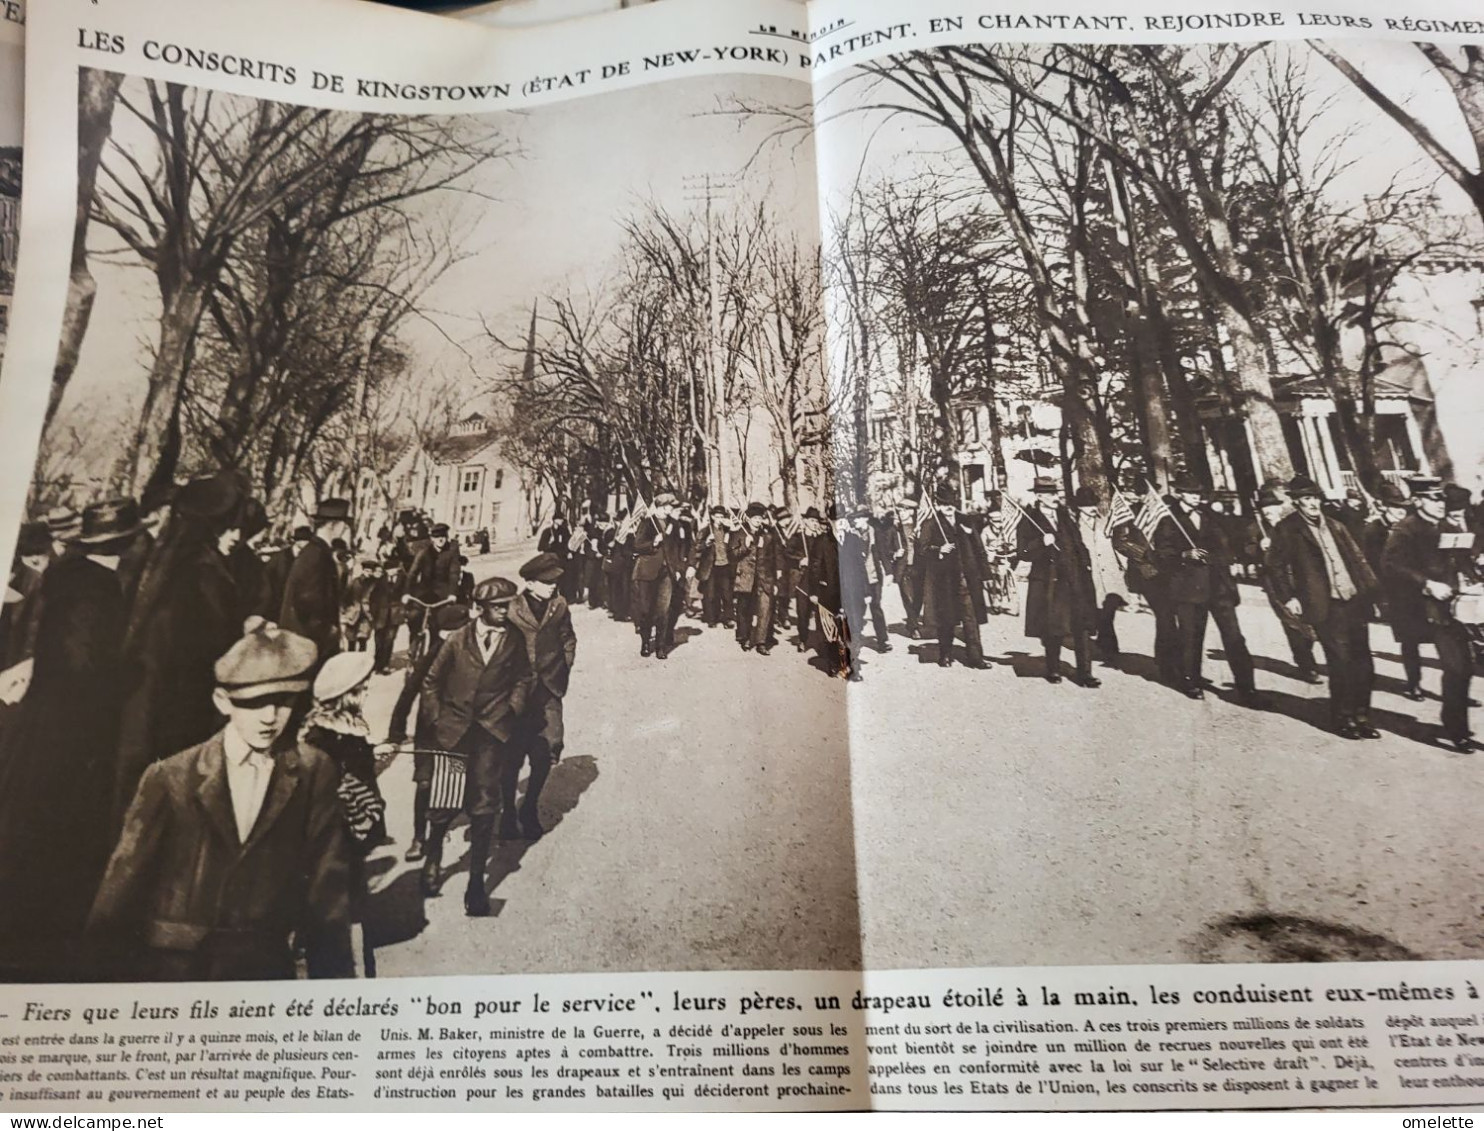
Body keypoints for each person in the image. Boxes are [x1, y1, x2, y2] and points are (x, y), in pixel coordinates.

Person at [87, 619, 353, 980]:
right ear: (222, 702)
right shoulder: (171, 777)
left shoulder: (312, 770)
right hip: (174, 973)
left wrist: (334, 990)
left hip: (263, 970)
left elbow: (327, 891)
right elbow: (121, 889)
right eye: (254, 702)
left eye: (283, 701)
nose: (270, 717)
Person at [0, 499, 138, 979]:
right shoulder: (99, 587)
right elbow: (85, 663)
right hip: (74, 726)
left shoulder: (65, 572)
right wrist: (124, 678)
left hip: (43, 713)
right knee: (55, 825)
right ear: (127, 541)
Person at [115, 474, 251, 821]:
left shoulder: (164, 562)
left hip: (146, 703)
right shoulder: (205, 575)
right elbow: (213, 649)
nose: (237, 536)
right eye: (230, 527)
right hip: (181, 706)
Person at [416, 577, 534, 915]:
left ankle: (476, 887)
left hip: (490, 735)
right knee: (444, 802)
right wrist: (437, 720)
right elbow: (431, 682)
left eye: (508, 605)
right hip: (453, 736)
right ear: (481, 608)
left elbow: (524, 678)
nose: (504, 612)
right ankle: (433, 858)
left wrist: (512, 708)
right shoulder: (456, 640)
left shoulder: (514, 639)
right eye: (498, 607)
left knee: (484, 807)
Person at [1268, 475, 1380, 739]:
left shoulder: (1336, 525)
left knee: (1363, 662)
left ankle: (1362, 715)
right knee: (1340, 662)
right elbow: (1274, 566)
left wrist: (1372, 593)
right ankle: (1343, 718)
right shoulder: (1287, 529)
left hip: (1352, 600)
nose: (1313, 504)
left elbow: (1358, 560)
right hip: (1323, 604)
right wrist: (1290, 597)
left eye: (1315, 498)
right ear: (1296, 503)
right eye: (1306, 499)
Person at [302, 651, 386, 977]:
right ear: (344, 696)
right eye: (361, 689)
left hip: (347, 833)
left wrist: (372, 752)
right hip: (336, 834)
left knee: (352, 901)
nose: (365, 694)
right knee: (341, 906)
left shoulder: (342, 730)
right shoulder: (323, 738)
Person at [1383, 479, 1479, 752]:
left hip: (1455, 606)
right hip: (1426, 610)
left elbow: (1459, 559)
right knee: (1456, 667)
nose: (1441, 505)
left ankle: (1454, 720)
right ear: (1418, 501)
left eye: (1442, 500)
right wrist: (1427, 583)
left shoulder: (1445, 526)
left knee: (1464, 669)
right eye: (1434, 500)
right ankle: (1456, 730)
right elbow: (1392, 566)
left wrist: (1473, 570)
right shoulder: (1405, 529)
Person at [1152, 474, 1257, 702]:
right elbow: (1161, 554)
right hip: (1189, 589)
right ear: (1180, 494)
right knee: (1191, 638)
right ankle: (1191, 681)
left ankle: (1247, 687)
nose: (1196, 498)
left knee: (1234, 637)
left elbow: (1232, 539)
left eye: (1198, 494)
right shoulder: (1170, 519)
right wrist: (1183, 554)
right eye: (1191, 493)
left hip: (1219, 587)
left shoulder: (1212, 515)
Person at [507, 552, 578, 840]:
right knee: (511, 756)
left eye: (554, 581)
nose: (552, 586)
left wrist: (564, 664)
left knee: (549, 747)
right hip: (516, 691)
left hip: (549, 688)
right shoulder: (511, 608)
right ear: (530, 582)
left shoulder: (559, 605)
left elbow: (568, 637)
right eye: (546, 582)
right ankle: (508, 816)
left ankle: (530, 807)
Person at [1017, 479, 1098, 686]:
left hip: (1074, 579)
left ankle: (1085, 673)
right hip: (1050, 583)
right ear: (1039, 497)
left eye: (1056, 493)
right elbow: (1023, 553)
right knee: (1054, 628)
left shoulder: (1065, 516)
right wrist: (1040, 543)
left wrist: (1085, 565)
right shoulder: (1029, 519)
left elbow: (1078, 543)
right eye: (1050, 494)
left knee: (1081, 627)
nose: (1056, 497)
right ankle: (1053, 669)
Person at [1253, 487, 1321, 684]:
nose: (1269, 514)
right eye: (1266, 512)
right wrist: (1259, 547)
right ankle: (1307, 666)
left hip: (1300, 579)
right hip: (1275, 584)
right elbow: (1244, 552)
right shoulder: (1256, 529)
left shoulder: (1291, 526)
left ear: (1279, 509)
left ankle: (1304, 654)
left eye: (1273, 509)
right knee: (1292, 622)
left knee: (1309, 623)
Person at [918, 484, 989, 669]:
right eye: (944, 503)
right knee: (947, 619)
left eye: (951, 502)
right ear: (938, 504)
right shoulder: (931, 524)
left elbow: (979, 548)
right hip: (945, 580)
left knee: (970, 619)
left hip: (967, 579)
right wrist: (938, 549)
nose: (948, 506)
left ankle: (976, 658)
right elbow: (922, 550)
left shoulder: (966, 520)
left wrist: (986, 574)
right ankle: (945, 655)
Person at [1366, 483, 1426, 701]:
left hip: (1419, 588)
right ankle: (1414, 683)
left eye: (1403, 508)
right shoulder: (1373, 530)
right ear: (1383, 507)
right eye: (1395, 507)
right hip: (1395, 594)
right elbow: (1372, 565)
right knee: (1409, 640)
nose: (1401, 512)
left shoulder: (1410, 528)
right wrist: (1379, 598)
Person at [281, 499, 351, 664]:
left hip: (306, 645)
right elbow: (308, 603)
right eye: (344, 524)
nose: (345, 528)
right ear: (333, 525)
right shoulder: (317, 556)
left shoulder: (316, 552)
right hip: (307, 648)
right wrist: (329, 633)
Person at [1070, 486, 1130, 668]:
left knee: (1109, 611)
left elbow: (1117, 544)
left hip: (1110, 575)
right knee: (1099, 613)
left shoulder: (1105, 521)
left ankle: (1109, 648)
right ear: (1079, 507)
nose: (1092, 508)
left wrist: (1123, 565)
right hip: (1092, 576)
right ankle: (1107, 648)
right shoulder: (1074, 526)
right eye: (1086, 506)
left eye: (1093, 504)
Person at [840, 505, 891, 674]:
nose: (855, 522)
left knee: (876, 607)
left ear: (866, 519)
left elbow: (883, 552)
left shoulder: (875, 533)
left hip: (874, 576)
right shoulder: (852, 536)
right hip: (860, 580)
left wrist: (889, 571)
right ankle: (856, 640)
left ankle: (882, 641)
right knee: (859, 611)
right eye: (854, 520)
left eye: (858, 519)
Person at [732, 502, 780, 656]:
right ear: (749, 519)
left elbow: (774, 557)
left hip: (764, 578)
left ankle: (761, 642)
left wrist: (776, 578)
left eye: (760, 518)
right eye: (755, 518)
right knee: (744, 610)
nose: (758, 521)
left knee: (765, 610)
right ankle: (745, 638)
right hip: (746, 578)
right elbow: (732, 555)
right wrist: (745, 546)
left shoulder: (768, 536)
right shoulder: (740, 533)